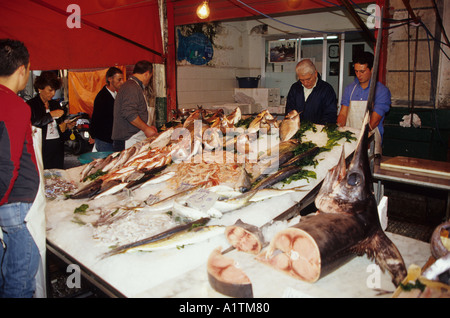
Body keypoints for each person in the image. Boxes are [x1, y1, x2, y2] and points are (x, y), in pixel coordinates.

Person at [0, 39, 41, 297]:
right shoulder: (14, 106)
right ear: (23, 70)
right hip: (17, 206)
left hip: (10, 204)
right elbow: (9, 163)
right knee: (20, 282)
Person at [337, 52, 391, 153]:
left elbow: (375, 121)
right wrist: (339, 129)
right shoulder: (349, 89)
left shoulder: (381, 91)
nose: (358, 75)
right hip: (350, 140)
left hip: (370, 141)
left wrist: (361, 139)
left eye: (362, 71)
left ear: (372, 69)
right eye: (356, 71)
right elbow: (343, 114)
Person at [27, 71, 73, 169]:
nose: (53, 93)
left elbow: (61, 129)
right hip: (42, 145)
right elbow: (31, 124)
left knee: (58, 173)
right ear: (40, 89)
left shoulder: (55, 104)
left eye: (54, 90)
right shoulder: (31, 105)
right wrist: (50, 115)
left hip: (57, 145)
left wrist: (67, 127)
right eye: (50, 90)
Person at [112, 60, 158, 151]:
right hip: (127, 141)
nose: (149, 80)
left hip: (133, 138)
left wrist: (147, 126)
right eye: (150, 77)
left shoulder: (135, 86)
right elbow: (129, 113)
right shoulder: (131, 87)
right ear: (146, 74)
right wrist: (146, 129)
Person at [285, 59, 337, 125]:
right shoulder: (295, 88)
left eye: (308, 79)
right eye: (302, 80)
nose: (306, 83)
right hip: (298, 130)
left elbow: (330, 115)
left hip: (319, 131)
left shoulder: (326, 89)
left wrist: (317, 129)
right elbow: (289, 111)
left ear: (315, 73)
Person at [89, 67, 124, 152]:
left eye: (122, 79)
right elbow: (95, 118)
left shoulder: (116, 94)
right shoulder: (102, 97)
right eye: (119, 79)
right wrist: (92, 135)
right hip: (105, 140)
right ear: (110, 79)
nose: (122, 82)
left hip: (115, 138)